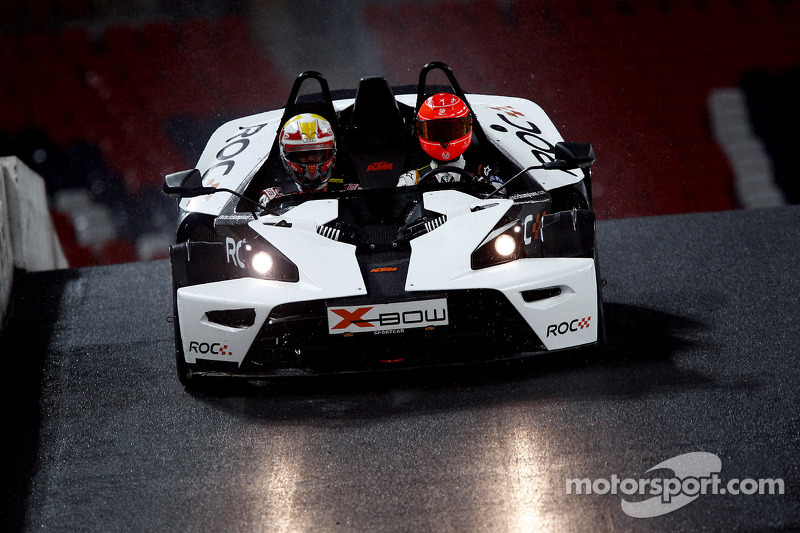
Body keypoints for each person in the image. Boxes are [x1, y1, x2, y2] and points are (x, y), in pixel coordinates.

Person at [397, 93, 503, 190]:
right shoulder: (411, 180)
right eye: (436, 131)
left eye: (452, 131)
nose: (444, 139)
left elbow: (504, 199)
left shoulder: (485, 175)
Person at [259, 113, 359, 205]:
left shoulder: (353, 193)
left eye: (316, 153)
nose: (311, 159)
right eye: (304, 154)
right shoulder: (272, 199)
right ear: (289, 156)